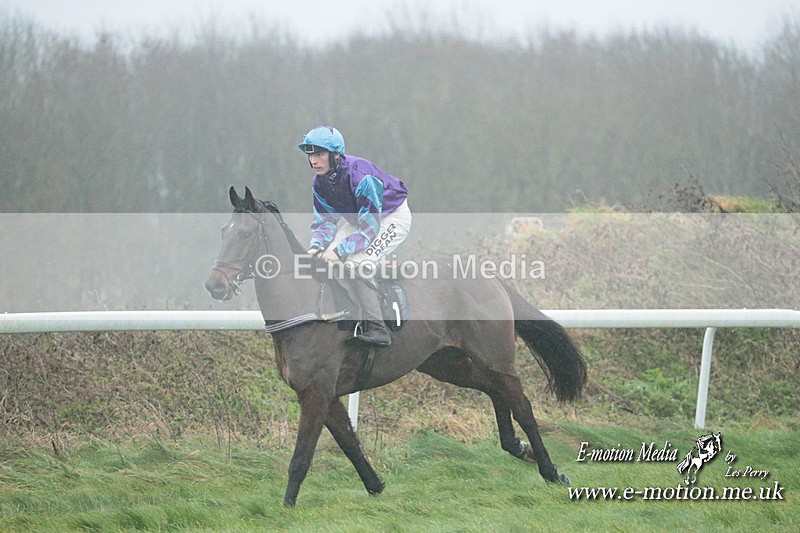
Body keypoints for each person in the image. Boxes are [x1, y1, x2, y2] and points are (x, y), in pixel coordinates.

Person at [299, 125, 412, 347]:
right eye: (311, 154)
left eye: (319, 154)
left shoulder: (361, 177)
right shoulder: (319, 182)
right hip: (359, 220)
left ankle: (378, 327)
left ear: (336, 155)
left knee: (358, 264)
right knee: (326, 258)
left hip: (391, 217)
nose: (313, 160)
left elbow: (369, 228)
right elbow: (325, 221)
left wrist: (339, 251)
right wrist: (317, 246)